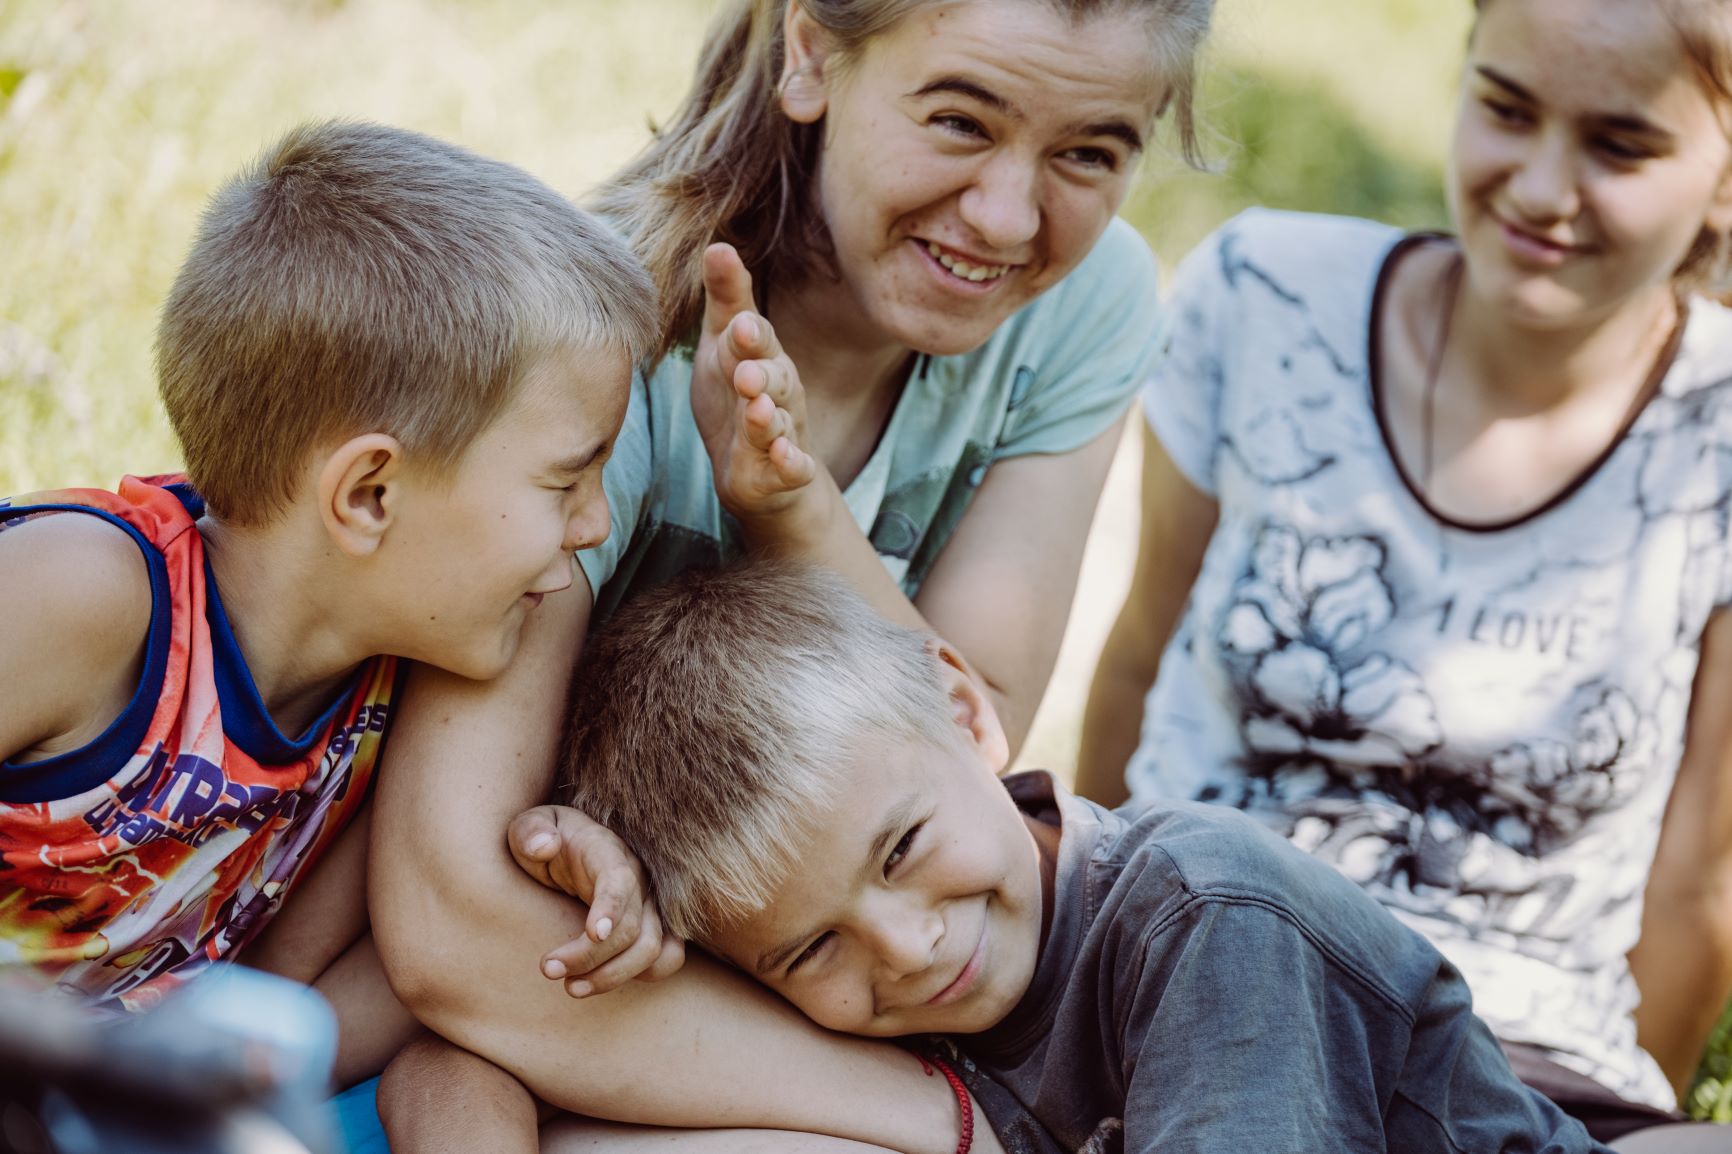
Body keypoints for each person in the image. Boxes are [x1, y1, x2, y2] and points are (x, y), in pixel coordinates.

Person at [362, 0, 1213, 1150]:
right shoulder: (593, 343)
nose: (1010, 215)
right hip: (587, 957)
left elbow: (976, 730)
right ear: (811, 53)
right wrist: (962, 1125)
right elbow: (450, 927)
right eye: (960, 120)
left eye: (1088, 152)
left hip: (840, 961)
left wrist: (794, 516)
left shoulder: (1083, 301)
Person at [1076, 0, 1732, 1145]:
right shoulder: (1266, 293)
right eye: (1504, 108)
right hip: (1213, 974)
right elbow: (1139, 653)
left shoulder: (1716, 426)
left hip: (1516, 1057)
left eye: (1618, 145)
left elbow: (1699, 887)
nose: (1538, 186)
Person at [394, 558, 1616, 1154]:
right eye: (810, 943)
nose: (907, 942)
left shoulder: (1203, 914)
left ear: (966, 713)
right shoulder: (858, 1011)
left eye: (905, 845)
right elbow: (446, 1068)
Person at [0, 120, 658, 1091]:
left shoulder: (384, 693)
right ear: (368, 495)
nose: (596, 523)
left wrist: (562, 886)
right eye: (567, 481)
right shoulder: (87, 594)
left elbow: (293, 1012)